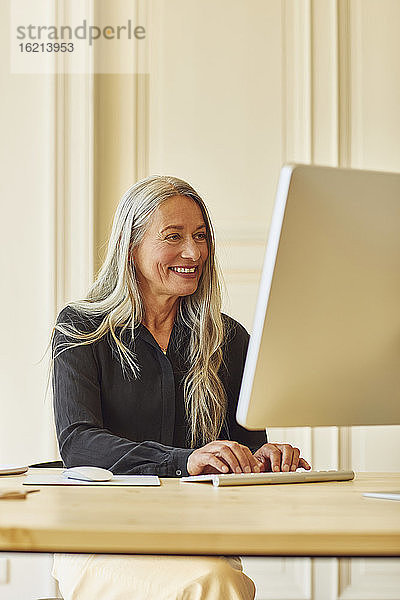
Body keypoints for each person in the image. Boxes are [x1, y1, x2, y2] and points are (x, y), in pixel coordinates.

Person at [51, 175, 311, 600]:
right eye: (173, 237)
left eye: (201, 237)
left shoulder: (230, 340)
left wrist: (264, 460)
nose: (194, 252)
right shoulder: (82, 328)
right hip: (101, 538)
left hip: (199, 540)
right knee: (214, 585)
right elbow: (79, 443)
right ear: (130, 248)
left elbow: (244, 449)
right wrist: (185, 461)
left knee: (213, 578)